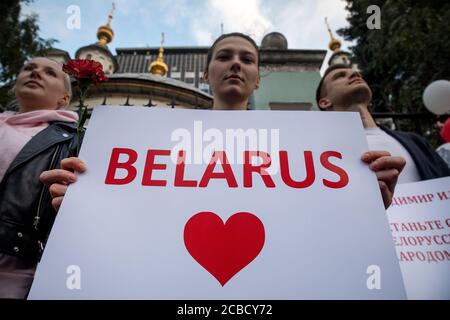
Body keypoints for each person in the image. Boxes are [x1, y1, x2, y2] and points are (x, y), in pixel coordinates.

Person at [40, 34, 404, 241]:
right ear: (206, 73)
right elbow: (136, 223)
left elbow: (314, 231)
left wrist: (363, 204)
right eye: (225, 56)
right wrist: (82, 201)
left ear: (258, 79)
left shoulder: (299, 150)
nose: (236, 64)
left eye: (247, 59)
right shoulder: (158, 146)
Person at [0, 57, 80, 299]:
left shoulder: (73, 141)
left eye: (49, 73)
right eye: (28, 68)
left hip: (13, 277)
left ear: (64, 99)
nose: (35, 73)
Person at [316, 64, 450, 183]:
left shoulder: (416, 142)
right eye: (340, 76)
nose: (354, 74)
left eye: (357, 73)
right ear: (325, 102)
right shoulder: (318, 153)